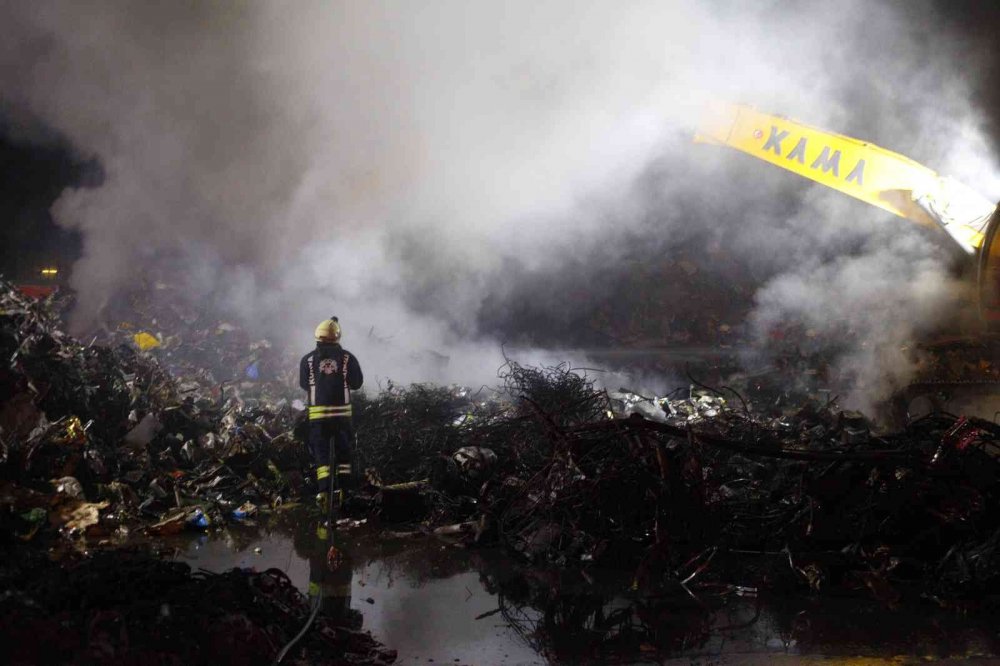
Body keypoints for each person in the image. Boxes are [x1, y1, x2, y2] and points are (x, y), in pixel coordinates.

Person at [299, 316, 363, 513]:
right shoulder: (347, 358)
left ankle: (324, 494)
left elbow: (303, 384)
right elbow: (357, 383)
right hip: (342, 418)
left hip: (318, 418)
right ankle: (345, 494)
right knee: (344, 455)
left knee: (322, 456)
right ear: (337, 337)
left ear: (318, 337)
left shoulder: (307, 360)